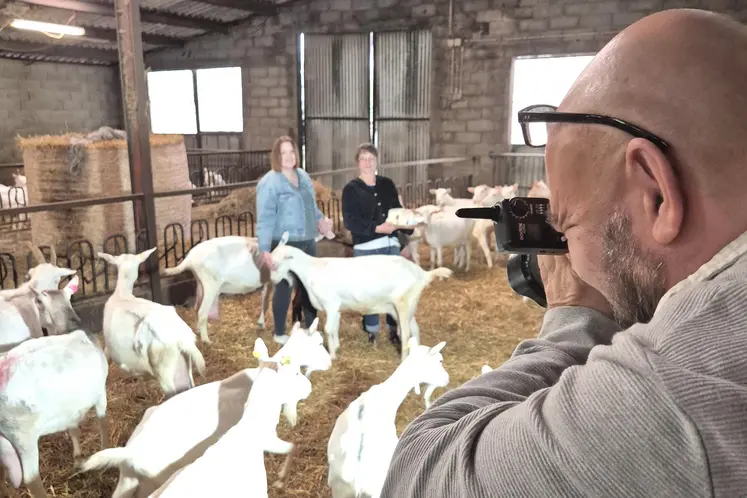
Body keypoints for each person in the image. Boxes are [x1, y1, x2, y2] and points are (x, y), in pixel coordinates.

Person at [382, 8, 747, 497]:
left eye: (569, 223)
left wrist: (573, 319)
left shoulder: (685, 386)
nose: (565, 248)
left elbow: (419, 475)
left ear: (656, 195)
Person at [256, 135, 331, 345]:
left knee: (310, 286)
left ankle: (311, 328)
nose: (288, 156)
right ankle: (280, 332)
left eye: (291, 151)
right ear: (277, 157)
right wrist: (265, 249)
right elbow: (264, 217)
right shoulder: (270, 182)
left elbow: (311, 206)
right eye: (283, 153)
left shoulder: (304, 177)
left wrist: (321, 220)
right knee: (284, 285)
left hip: (307, 240)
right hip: (285, 243)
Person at [342, 143, 413, 350]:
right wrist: (376, 228)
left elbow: (398, 212)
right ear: (357, 163)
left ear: (377, 161)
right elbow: (351, 221)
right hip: (366, 247)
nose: (367, 162)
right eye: (363, 158)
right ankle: (372, 331)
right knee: (370, 290)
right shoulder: (351, 189)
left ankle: (393, 330)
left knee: (393, 289)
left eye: (371, 158)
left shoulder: (387, 184)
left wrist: (408, 228)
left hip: (391, 245)